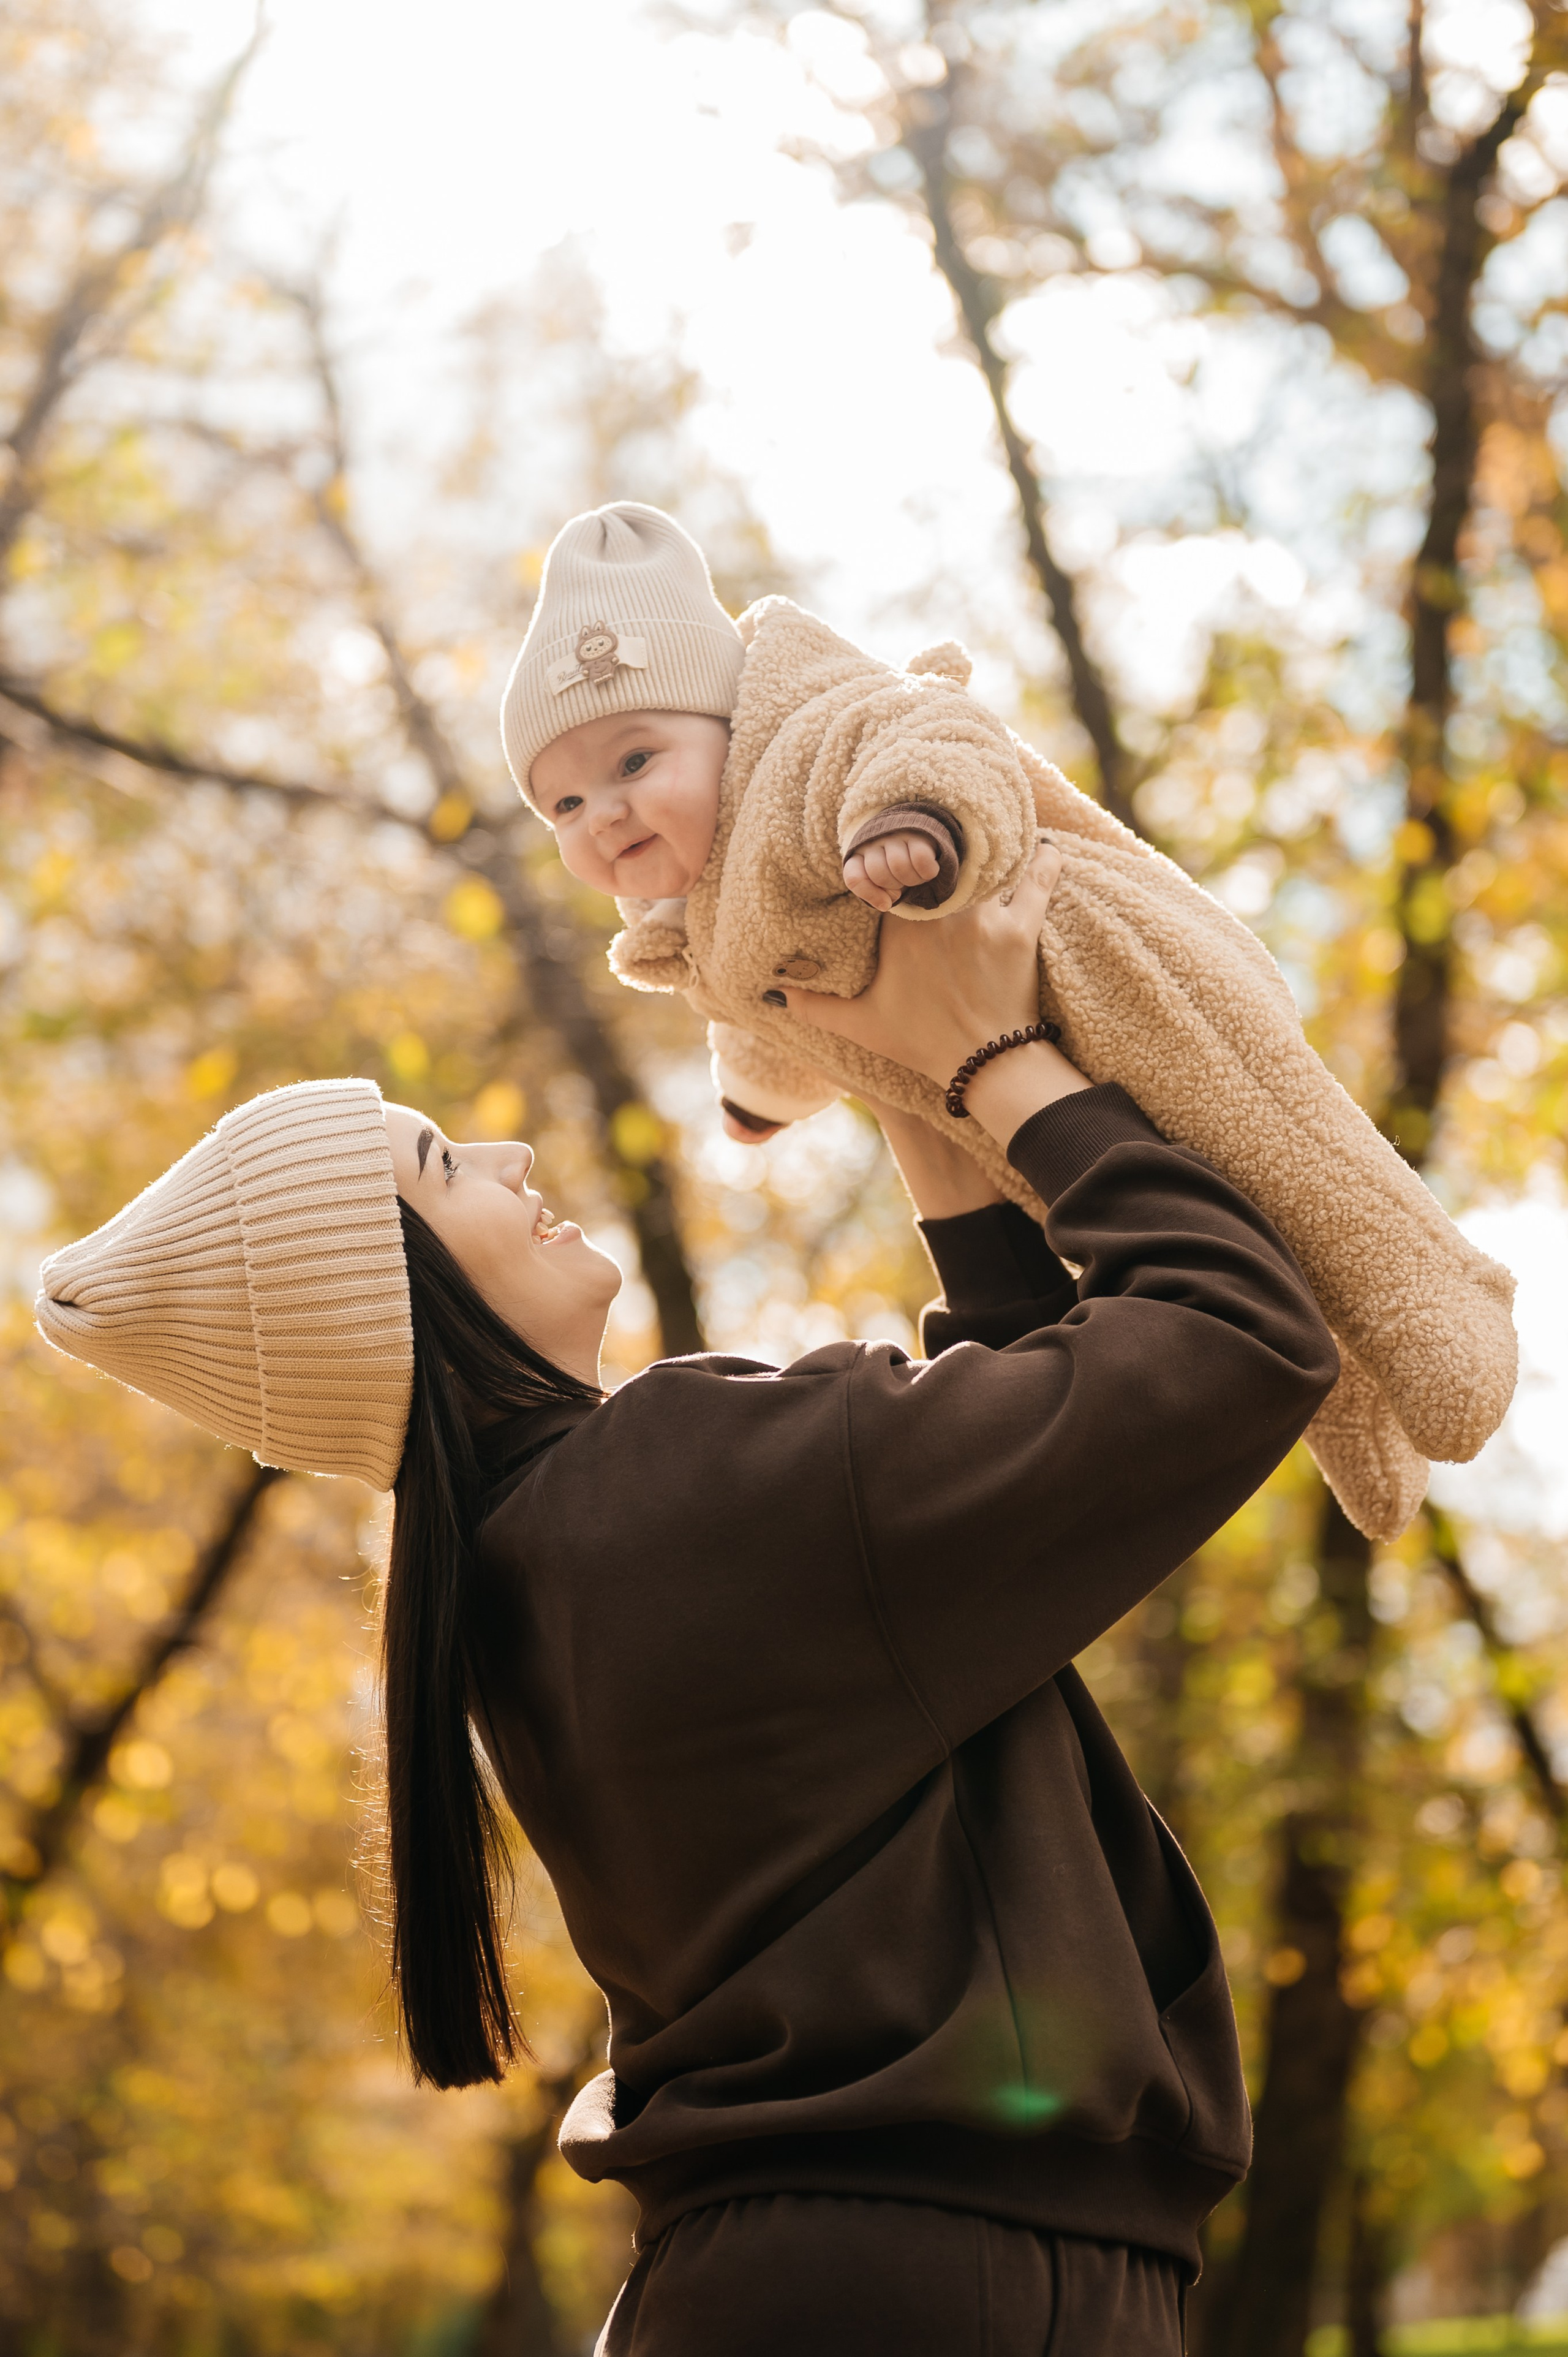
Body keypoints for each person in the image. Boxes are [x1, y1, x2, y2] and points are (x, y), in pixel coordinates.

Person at [35, 849, 1340, 2354]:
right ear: (404, 1305)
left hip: (823, 2274)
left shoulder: (540, 1569)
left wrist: (920, 1113)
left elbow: (1021, 1508)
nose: (513, 1160)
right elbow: (1235, 1337)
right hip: (940, 2287)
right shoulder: (673, 1484)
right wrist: (995, 1059)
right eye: (445, 1168)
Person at [499, 501, 1518, 1553]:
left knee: (1280, 1157)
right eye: (564, 805)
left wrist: (911, 824)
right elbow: (779, 1015)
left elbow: (932, 734)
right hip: (986, 1094)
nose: (605, 814)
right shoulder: (696, 927)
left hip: (1107, 975)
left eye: (634, 763)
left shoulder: (803, 747)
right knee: (1207, 1229)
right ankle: (1353, 1416)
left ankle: (1440, 1294)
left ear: (728, 724)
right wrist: (758, 1099)